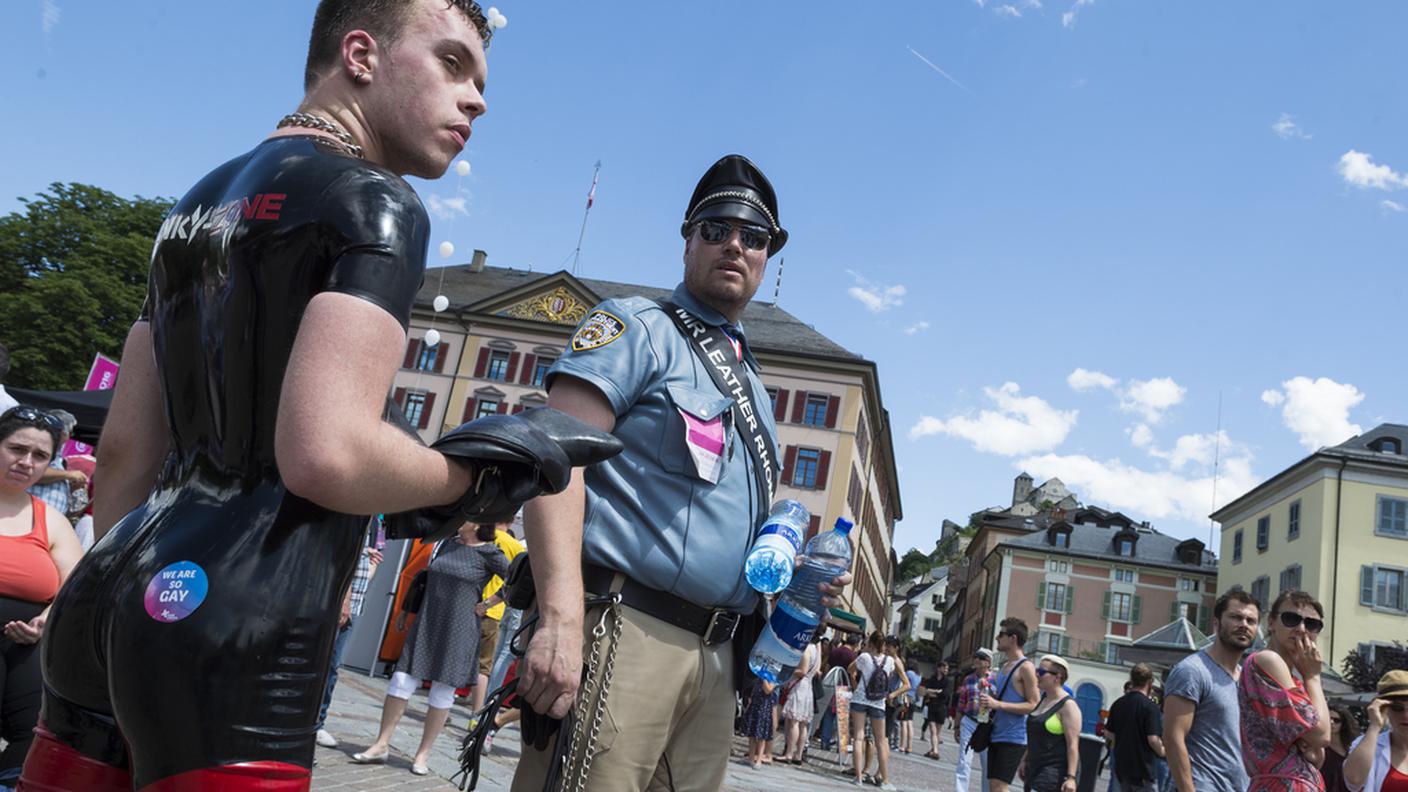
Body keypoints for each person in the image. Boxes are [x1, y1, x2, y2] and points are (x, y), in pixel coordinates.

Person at [20, 3, 617, 789]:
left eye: (480, 79)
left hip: (114, 584)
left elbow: (127, 451)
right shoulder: (373, 201)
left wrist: (116, 584)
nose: (477, 98)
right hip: (245, 606)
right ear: (361, 55)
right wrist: (475, 479)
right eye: (451, 64)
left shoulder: (190, 210)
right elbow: (325, 453)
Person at [509, 154, 851, 792]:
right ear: (688, 237)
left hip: (716, 658)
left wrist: (795, 581)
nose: (735, 246)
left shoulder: (753, 385)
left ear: (768, 256)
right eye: (717, 228)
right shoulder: (636, 328)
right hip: (625, 628)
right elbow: (551, 461)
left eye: (754, 238)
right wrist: (559, 620)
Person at [353, 523, 507, 774]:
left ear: (478, 524)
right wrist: (407, 609)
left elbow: (520, 579)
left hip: (460, 629)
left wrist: (488, 603)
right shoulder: (447, 542)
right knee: (400, 681)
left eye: (464, 516)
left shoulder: (490, 553)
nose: (458, 520)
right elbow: (423, 578)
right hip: (427, 623)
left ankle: (422, 755)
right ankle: (381, 745)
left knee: (442, 692)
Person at [0, 408, 84, 789]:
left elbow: (75, 583)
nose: (26, 462)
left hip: (28, 644)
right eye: (16, 449)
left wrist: (47, 619)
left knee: (33, 733)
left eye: (40, 456)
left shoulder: (51, 518)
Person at [1164, 587, 1258, 792]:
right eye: (1236, 617)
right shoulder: (1192, 671)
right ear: (1216, 623)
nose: (1244, 625)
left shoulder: (1248, 681)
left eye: (1251, 621)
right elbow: (1173, 739)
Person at [1239, 590, 1331, 792]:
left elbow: (1317, 755)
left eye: (1312, 624)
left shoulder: (1293, 680)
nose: (1301, 629)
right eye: (1291, 619)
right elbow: (1322, 735)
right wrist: (1313, 678)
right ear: (1271, 623)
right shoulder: (1267, 660)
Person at [314, 518, 384, 750]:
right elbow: (340, 557)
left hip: (355, 605)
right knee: (321, 664)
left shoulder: (377, 522)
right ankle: (307, 722)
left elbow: (370, 563)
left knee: (332, 666)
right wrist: (344, 598)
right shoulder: (355, 515)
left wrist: (371, 561)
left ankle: (317, 722)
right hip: (337, 603)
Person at [469, 522, 525, 720]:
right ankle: (486, 704)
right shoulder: (515, 546)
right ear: (510, 522)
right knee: (498, 657)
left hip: (481, 602)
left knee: (479, 658)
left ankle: (477, 702)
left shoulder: (478, 537)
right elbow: (513, 579)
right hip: (500, 607)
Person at [982, 618, 1041, 792]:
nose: (997, 638)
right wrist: (987, 692)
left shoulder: (1026, 667)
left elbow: (1034, 704)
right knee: (993, 786)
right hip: (996, 733)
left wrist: (997, 704)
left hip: (1013, 737)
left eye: (1001, 634)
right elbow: (1000, 698)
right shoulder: (1004, 666)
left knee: (1000, 787)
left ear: (1013, 638)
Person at [849, 630, 909, 790]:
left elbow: (850, 669)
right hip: (878, 702)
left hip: (860, 699)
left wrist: (856, 686)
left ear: (871, 643)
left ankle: (858, 777)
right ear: (883, 644)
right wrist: (891, 695)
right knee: (881, 741)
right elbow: (905, 682)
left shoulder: (863, 657)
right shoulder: (890, 661)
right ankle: (886, 781)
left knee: (859, 737)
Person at [1017, 655, 1081, 792]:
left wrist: (1071, 778)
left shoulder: (1068, 706)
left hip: (1052, 773)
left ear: (1057, 677)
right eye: (1036, 671)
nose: (1036, 675)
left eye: (1041, 672)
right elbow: (1036, 736)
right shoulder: (1043, 700)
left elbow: (1073, 744)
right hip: (1033, 769)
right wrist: (1024, 759)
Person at [1343, 669, 1408, 792]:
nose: (1406, 715)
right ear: (1384, 709)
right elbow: (1353, 781)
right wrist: (1374, 726)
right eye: (1397, 708)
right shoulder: (1369, 744)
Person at [1105, 664, 1165, 792]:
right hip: (1143, 770)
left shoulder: (1118, 704)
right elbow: (1153, 739)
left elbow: (1109, 733)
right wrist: (1163, 752)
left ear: (1131, 680)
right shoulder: (1150, 707)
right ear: (1150, 682)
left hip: (1122, 768)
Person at [25, 410, 84, 520]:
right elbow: (33, 472)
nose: (70, 436)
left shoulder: (59, 458)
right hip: (31, 517)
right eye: (70, 432)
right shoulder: (37, 449)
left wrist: (73, 488)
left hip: (47, 521)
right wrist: (69, 475)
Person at [957, 648, 996, 792]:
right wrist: (956, 726)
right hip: (969, 721)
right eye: (975, 656)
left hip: (986, 726)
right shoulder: (968, 679)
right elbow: (961, 703)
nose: (976, 660)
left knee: (987, 765)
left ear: (988, 662)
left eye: (980, 657)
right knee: (964, 761)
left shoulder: (995, 679)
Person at [781, 634, 820, 764]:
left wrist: (790, 669)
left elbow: (802, 671)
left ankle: (789, 754)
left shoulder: (806, 649)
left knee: (794, 721)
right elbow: (815, 670)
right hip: (808, 686)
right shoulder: (816, 649)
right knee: (803, 723)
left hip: (800, 686)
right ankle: (798, 754)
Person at [743, 677, 779, 770]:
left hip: (764, 709)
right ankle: (751, 758)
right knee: (752, 735)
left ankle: (759, 759)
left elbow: (768, 690)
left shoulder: (772, 678)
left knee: (761, 736)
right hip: (755, 707)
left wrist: (764, 679)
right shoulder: (758, 677)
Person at [1323, 704, 1360, 792]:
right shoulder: (1320, 747)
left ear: (1343, 724)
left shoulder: (1353, 746)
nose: (1331, 722)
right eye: (1328, 719)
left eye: (1336, 720)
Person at [921, 660, 952, 758]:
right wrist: (937, 691)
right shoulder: (932, 679)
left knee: (937, 732)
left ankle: (933, 750)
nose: (946, 670)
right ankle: (935, 750)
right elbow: (926, 691)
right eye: (945, 668)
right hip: (932, 707)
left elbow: (945, 695)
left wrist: (933, 693)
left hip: (941, 708)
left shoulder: (947, 681)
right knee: (933, 730)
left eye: (947, 668)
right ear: (939, 668)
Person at [900, 658, 922, 755]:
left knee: (903, 722)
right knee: (910, 722)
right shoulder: (918, 676)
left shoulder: (908, 673)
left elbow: (903, 684)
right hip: (913, 699)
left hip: (906, 698)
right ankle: (909, 746)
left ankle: (902, 745)